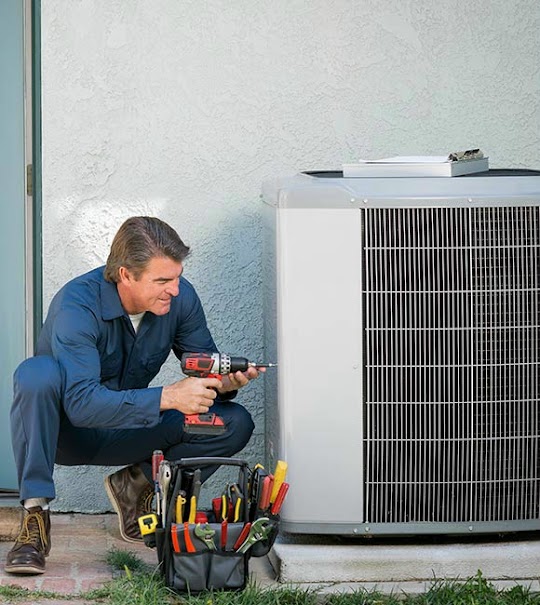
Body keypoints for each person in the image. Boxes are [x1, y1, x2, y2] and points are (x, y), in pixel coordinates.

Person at [5, 216, 258, 575]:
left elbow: (204, 369)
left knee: (232, 423)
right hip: (69, 434)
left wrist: (225, 383)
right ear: (125, 275)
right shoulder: (76, 307)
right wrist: (168, 397)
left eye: (177, 277)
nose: (174, 289)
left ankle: (135, 485)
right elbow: (81, 405)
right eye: (162, 280)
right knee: (35, 375)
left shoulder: (179, 299)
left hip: (134, 427)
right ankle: (35, 519)